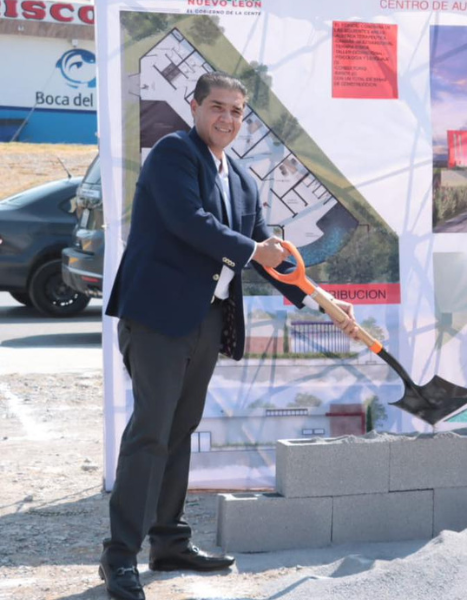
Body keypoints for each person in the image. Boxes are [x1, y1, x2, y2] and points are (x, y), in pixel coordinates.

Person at [101, 72, 359, 600]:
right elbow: (189, 221)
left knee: (181, 428)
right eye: (217, 106)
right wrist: (255, 250)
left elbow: (269, 251)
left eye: (237, 111)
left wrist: (321, 299)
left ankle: (168, 541)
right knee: (151, 431)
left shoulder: (241, 176)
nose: (227, 118)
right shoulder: (173, 154)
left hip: (207, 318)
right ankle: (119, 556)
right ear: (194, 107)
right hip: (157, 318)